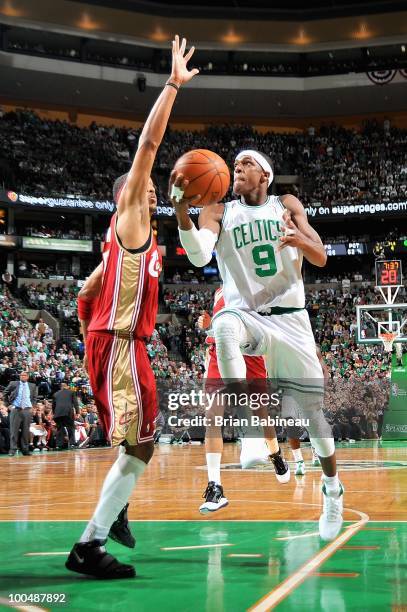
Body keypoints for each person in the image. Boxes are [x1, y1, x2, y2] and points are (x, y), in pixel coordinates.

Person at [65, 34, 199, 579]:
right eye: (142, 189)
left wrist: (84, 334)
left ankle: (110, 519)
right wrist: (171, 86)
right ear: (129, 196)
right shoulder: (132, 218)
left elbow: (87, 291)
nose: (151, 191)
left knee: (139, 438)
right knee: (142, 441)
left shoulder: (127, 246)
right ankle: (90, 543)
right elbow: (146, 150)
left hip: (113, 343)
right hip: (120, 345)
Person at [172, 149, 344, 541]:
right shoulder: (217, 211)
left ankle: (332, 489)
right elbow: (199, 255)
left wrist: (299, 237)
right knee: (224, 326)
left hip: (291, 318)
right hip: (248, 315)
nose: (237, 169)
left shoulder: (287, 204)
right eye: (234, 166)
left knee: (314, 419)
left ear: (265, 174)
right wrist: (182, 212)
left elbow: (319, 257)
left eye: (245, 164)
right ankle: (251, 428)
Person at [198, 286, 289, 514]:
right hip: (218, 352)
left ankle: (275, 454)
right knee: (212, 417)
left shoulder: (255, 283)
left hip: (251, 353)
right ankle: (214, 486)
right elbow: (216, 327)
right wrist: (208, 326)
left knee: (261, 414)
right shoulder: (219, 291)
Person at [4, 371, 38, 456]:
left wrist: (32, 407)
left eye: (24, 375)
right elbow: (5, 393)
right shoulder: (13, 383)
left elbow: (34, 398)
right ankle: (13, 450)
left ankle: (25, 450)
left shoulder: (32, 386)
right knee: (13, 430)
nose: (22, 376)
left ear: (27, 377)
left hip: (27, 410)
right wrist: (8, 405)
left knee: (26, 431)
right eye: (21, 375)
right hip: (16, 409)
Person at [52, 382, 79, 449]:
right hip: (68, 412)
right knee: (70, 427)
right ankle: (72, 444)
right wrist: (77, 412)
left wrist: (54, 413)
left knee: (59, 429)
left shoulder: (55, 394)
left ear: (60, 387)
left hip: (57, 414)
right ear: (66, 386)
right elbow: (75, 402)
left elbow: (53, 406)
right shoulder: (71, 392)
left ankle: (58, 445)